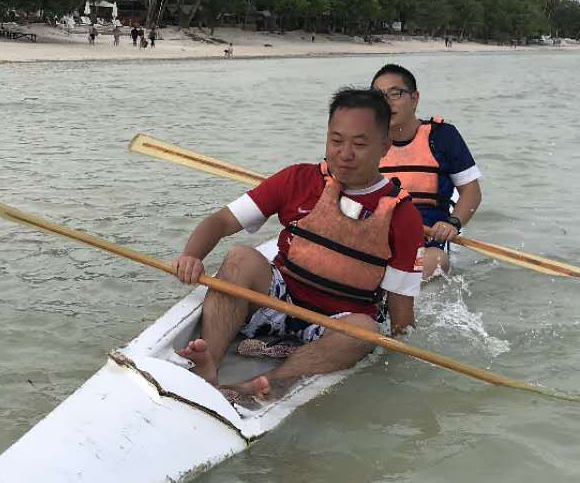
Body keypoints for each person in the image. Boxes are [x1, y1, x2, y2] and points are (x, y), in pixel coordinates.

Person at [172, 87, 424, 401]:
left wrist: (400, 357)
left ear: (385, 147)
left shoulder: (403, 215)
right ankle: (210, 362)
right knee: (239, 257)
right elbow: (221, 222)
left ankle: (271, 382)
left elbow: (401, 312)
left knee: (365, 331)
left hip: (337, 322)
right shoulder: (298, 179)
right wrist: (191, 255)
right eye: (336, 140)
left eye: (359, 144)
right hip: (279, 301)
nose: (344, 153)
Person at [374, 63, 481, 279]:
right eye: (378, 96)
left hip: (429, 241)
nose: (386, 103)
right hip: (377, 236)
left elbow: (472, 193)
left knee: (437, 260)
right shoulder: (365, 141)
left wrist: (453, 223)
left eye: (395, 94)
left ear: (415, 99)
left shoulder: (442, 137)